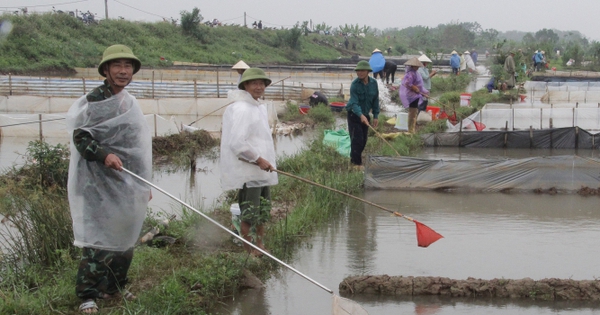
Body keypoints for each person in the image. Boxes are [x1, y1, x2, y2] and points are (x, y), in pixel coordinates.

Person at [66, 44, 152, 314]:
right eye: (117, 66)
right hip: (97, 183)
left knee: (126, 239)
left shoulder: (129, 102)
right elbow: (81, 137)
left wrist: (143, 183)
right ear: (106, 70)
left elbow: (136, 147)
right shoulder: (95, 100)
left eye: (128, 66)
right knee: (98, 241)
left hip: (126, 181)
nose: (123, 71)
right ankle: (87, 295)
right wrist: (104, 155)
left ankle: (113, 286)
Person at [220, 68, 277, 257]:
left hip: (262, 171)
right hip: (249, 171)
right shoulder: (242, 108)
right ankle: (249, 251)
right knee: (249, 213)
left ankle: (260, 245)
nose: (259, 87)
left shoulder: (258, 106)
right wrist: (258, 159)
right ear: (245, 85)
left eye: (262, 83)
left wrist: (264, 162)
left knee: (262, 211)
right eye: (255, 83)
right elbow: (237, 143)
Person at [345, 60, 379, 170]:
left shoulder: (374, 83)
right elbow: (354, 102)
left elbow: (375, 100)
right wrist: (360, 115)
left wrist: (376, 115)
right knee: (357, 139)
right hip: (354, 114)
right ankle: (356, 164)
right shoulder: (354, 85)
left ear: (368, 71)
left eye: (362, 70)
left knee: (364, 140)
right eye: (358, 71)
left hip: (365, 114)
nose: (360, 73)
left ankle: (353, 158)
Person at [399, 57, 429, 133]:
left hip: (416, 94)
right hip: (411, 95)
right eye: (416, 66)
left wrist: (425, 92)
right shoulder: (410, 74)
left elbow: (420, 85)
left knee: (415, 111)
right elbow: (407, 83)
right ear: (412, 66)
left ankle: (412, 128)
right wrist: (414, 88)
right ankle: (410, 130)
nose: (418, 67)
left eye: (418, 66)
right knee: (412, 112)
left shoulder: (417, 73)